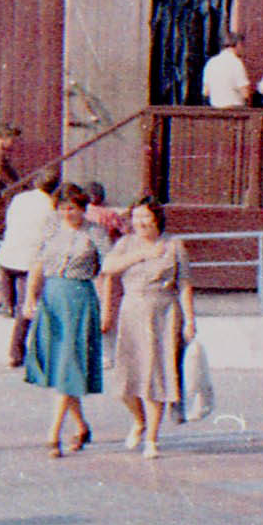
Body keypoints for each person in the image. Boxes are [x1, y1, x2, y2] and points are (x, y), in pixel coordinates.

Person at [100, 195, 195, 459]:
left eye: (146, 216)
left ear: (157, 218)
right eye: (136, 217)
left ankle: (152, 438)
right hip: (132, 312)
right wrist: (141, 254)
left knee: (156, 377)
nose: (140, 222)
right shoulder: (126, 244)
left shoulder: (174, 246)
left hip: (163, 313)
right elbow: (108, 267)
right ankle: (139, 421)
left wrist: (190, 319)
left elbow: (185, 283)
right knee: (126, 382)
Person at [23, 184, 106, 457]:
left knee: (70, 362)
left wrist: (107, 308)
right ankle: (81, 425)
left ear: (83, 208)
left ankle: (54, 433)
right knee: (60, 364)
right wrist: (29, 298)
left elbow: (107, 272)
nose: (67, 213)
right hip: (53, 297)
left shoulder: (95, 233)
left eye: (72, 208)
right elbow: (38, 265)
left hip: (79, 296)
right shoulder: (51, 230)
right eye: (62, 208)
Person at [0, 169, 56, 369]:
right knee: (27, 308)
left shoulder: (19, 198)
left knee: (14, 305)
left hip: (7, 254)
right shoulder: (52, 207)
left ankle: (6, 305)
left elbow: (10, 220)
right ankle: (16, 352)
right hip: (29, 261)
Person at [202, 33, 253, 108]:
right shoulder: (236, 63)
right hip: (235, 110)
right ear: (238, 45)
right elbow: (245, 93)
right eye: (243, 46)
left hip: (215, 109)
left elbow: (206, 92)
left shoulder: (211, 63)